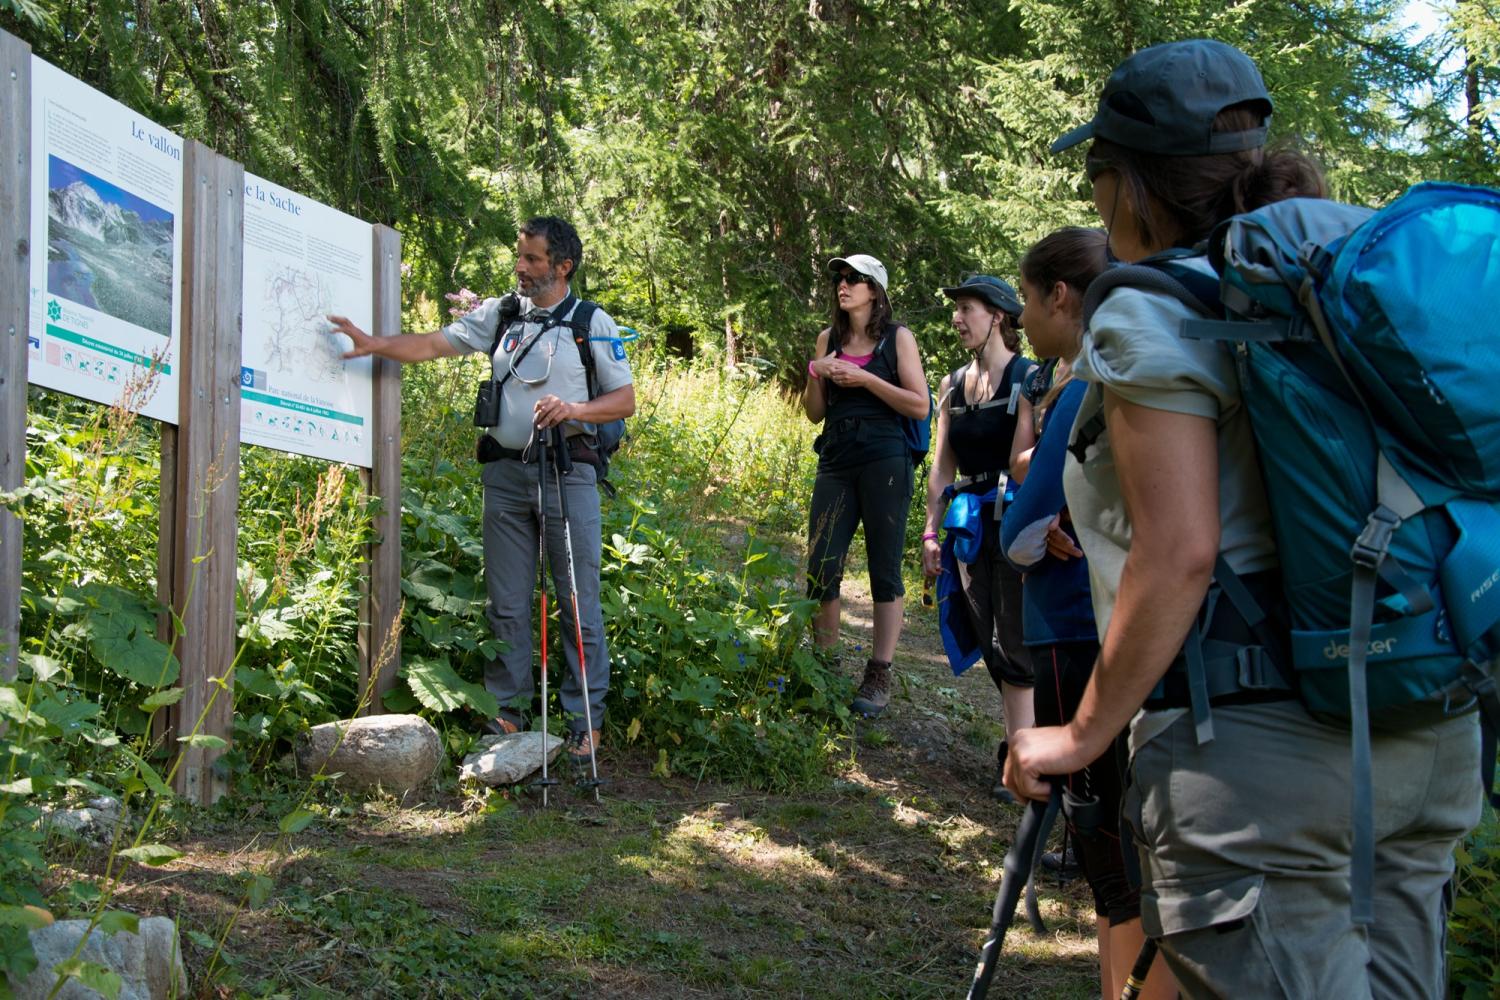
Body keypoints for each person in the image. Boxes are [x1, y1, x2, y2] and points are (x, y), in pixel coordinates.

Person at [1005, 39, 1480, 997]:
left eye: (1098, 174)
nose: (1096, 200)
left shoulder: (1148, 310)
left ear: (1132, 187)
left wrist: (1081, 734)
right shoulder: (1336, 276)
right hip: (1427, 732)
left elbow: (1178, 552)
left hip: (1263, 760)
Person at [329, 216, 635, 767]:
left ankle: (585, 718)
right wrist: (375, 343)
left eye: (534, 259)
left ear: (562, 266)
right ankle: (506, 711)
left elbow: (624, 400)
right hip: (504, 475)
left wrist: (575, 410)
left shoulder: (593, 322)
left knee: (576, 601)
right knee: (507, 602)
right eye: (520, 256)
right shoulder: (502, 314)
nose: (521, 267)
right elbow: (432, 345)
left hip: (568, 475)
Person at [1001, 227, 1174, 1000]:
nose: (1021, 318)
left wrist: (1039, 515)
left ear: (1060, 297)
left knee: (1107, 849)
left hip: (1074, 628)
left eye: (1027, 300)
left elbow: (1020, 535)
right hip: (1111, 624)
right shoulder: (1135, 368)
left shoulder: (1084, 386)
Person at [920, 275, 1036, 798]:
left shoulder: (1027, 379)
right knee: (982, 634)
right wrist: (928, 531)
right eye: (957, 309)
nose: (957, 318)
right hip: (967, 525)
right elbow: (941, 465)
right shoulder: (951, 386)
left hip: (1012, 523)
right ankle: (1025, 742)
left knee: (1013, 642)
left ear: (998, 316)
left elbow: (1028, 464)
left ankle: (1020, 758)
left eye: (967, 308)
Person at [803, 254, 930, 717]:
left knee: (884, 567)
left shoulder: (898, 340)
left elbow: (918, 405)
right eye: (840, 277)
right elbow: (813, 412)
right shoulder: (827, 339)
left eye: (854, 279)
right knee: (822, 563)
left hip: (885, 459)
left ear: (874, 290)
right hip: (835, 457)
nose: (843, 284)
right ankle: (824, 667)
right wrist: (819, 372)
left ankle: (879, 673)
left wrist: (863, 378)